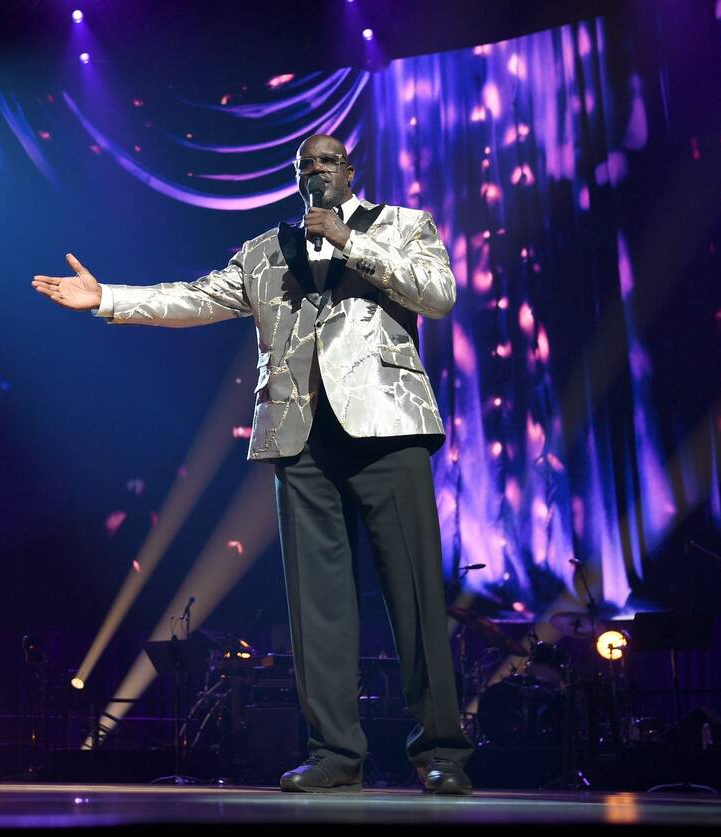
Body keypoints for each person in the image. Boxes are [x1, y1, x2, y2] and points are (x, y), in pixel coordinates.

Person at [32, 134, 474, 794]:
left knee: (412, 591)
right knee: (316, 605)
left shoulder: (402, 227)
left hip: (387, 427)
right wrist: (108, 298)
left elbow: (437, 294)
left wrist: (353, 243)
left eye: (328, 162)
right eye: (305, 166)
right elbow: (197, 297)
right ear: (296, 180)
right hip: (298, 437)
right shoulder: (266, 250)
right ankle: (334, 752)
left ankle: (440, 750)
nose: (316, 172)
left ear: (349, 172)